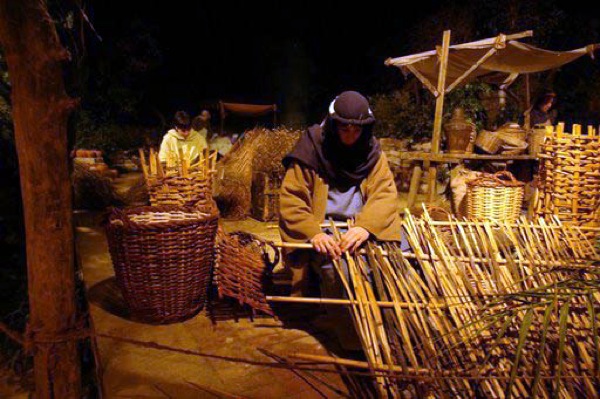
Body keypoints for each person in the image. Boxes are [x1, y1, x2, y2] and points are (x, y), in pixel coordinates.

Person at [279, 91, 402, 351]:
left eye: (356, 131)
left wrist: (365, 226)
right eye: (344, 129)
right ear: (333, 125)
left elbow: (385, 194)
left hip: (362, 227)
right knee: (339, 272)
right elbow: (292, 200)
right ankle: (357, 344)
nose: (349, 137)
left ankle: (397, 330)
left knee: (405, 255)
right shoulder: (312, 150)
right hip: (324, 230)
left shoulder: (372, 154)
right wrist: (315, 234)